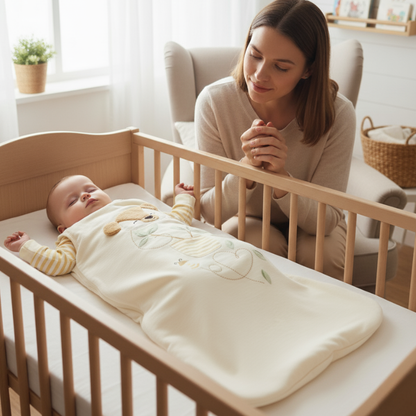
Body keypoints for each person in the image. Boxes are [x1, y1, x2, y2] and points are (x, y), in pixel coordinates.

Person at [195, 0, 356, 279]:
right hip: (248, 216)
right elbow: (210, 212)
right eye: (254, 55)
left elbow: (327, 220)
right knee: (258, 245)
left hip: (313, 222)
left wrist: (282, 179)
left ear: (308, 70)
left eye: (281, 67)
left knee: (322, 254)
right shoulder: (214, 102)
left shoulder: (338, 114)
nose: (259, 75)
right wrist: (246, 168)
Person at [4, 175, 195, 276]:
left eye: (90, 189)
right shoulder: (74, 235)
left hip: (183, 249)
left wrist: (184, 198)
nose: (85, 195)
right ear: (64, 228)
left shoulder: (131, 206)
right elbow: (59, 264)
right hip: (150, 265)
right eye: (72, 202)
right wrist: (25, 246)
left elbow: (175, 222)